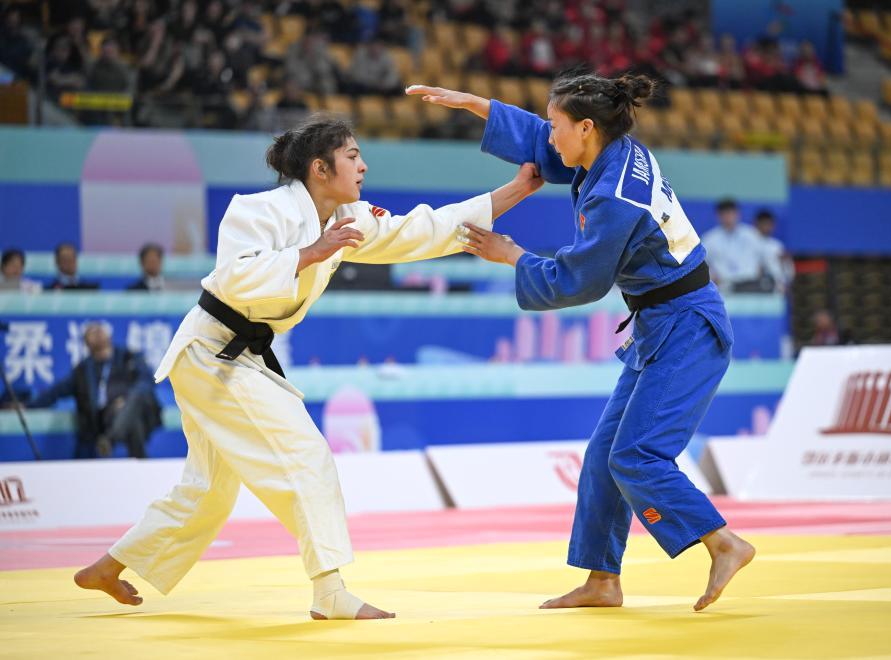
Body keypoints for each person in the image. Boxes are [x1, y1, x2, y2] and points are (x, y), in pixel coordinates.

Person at [72, 113, 543, 620]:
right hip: (212, 352)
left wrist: (517, 189)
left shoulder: (349, 219)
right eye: (352, 156)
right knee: (306, 454)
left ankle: (109, 566)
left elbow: (420, 230)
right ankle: (330, 591)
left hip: (238, 356)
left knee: (208, 491)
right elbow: (233, 278)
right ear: (319, 168)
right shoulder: (257, 210)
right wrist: (309, 253)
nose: (363, 166)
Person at [408, 72, 755, 612]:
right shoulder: (615, 151)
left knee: (636, 456)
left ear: (587, 128)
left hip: (688, 327)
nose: (549, 135)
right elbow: (543, 144)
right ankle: (602, 580)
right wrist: (477, 105)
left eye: (556, 125)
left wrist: (511, 255)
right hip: (662, 322)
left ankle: (722, 541)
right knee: (602, 457)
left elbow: (579, 282)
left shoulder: (615, 196)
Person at [29, 323, 161, 458]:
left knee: (136, 403)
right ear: (87, 344)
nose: (97, 334)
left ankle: (110, 439)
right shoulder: (83, 371)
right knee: (132, 418)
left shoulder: (129, 358)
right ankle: (140, 462)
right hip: (104, 418)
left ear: (109, 337)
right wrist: (29, 405)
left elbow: (147, 381)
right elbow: (56, 391)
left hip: (134, 409)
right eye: (92, 332)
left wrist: (126, 401)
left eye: (100, 330)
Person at [701, 198, 770, 293]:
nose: (728, 217)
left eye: (731, 213)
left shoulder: (752, 234)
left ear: (738, 214)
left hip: (751, 286)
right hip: (724, 288)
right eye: (724, 214)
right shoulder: (709, 239)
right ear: (718, 216)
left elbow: (764, 260)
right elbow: (704, 265)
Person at [753, 209, 792, 292]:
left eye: (770, 224)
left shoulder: (777, 246)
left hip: (774, 288)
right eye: (764, 224)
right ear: (757, 224)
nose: (767, 227)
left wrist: (784, 263)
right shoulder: (750, 243)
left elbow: (788, 273)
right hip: (752, 287)